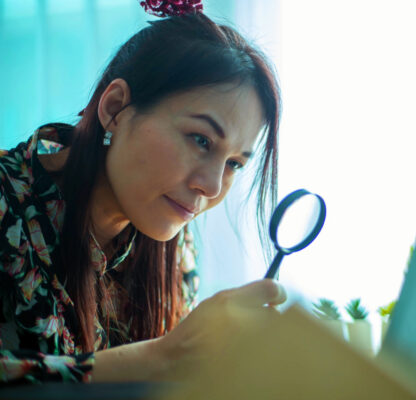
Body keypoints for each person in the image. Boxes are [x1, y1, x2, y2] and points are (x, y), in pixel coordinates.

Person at [0, 8, 286, 384]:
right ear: (115, 108)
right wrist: (162, 356)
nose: (213, 187)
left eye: (234, 164)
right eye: (201, 140)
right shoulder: (8, 201)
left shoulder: (172, 243)